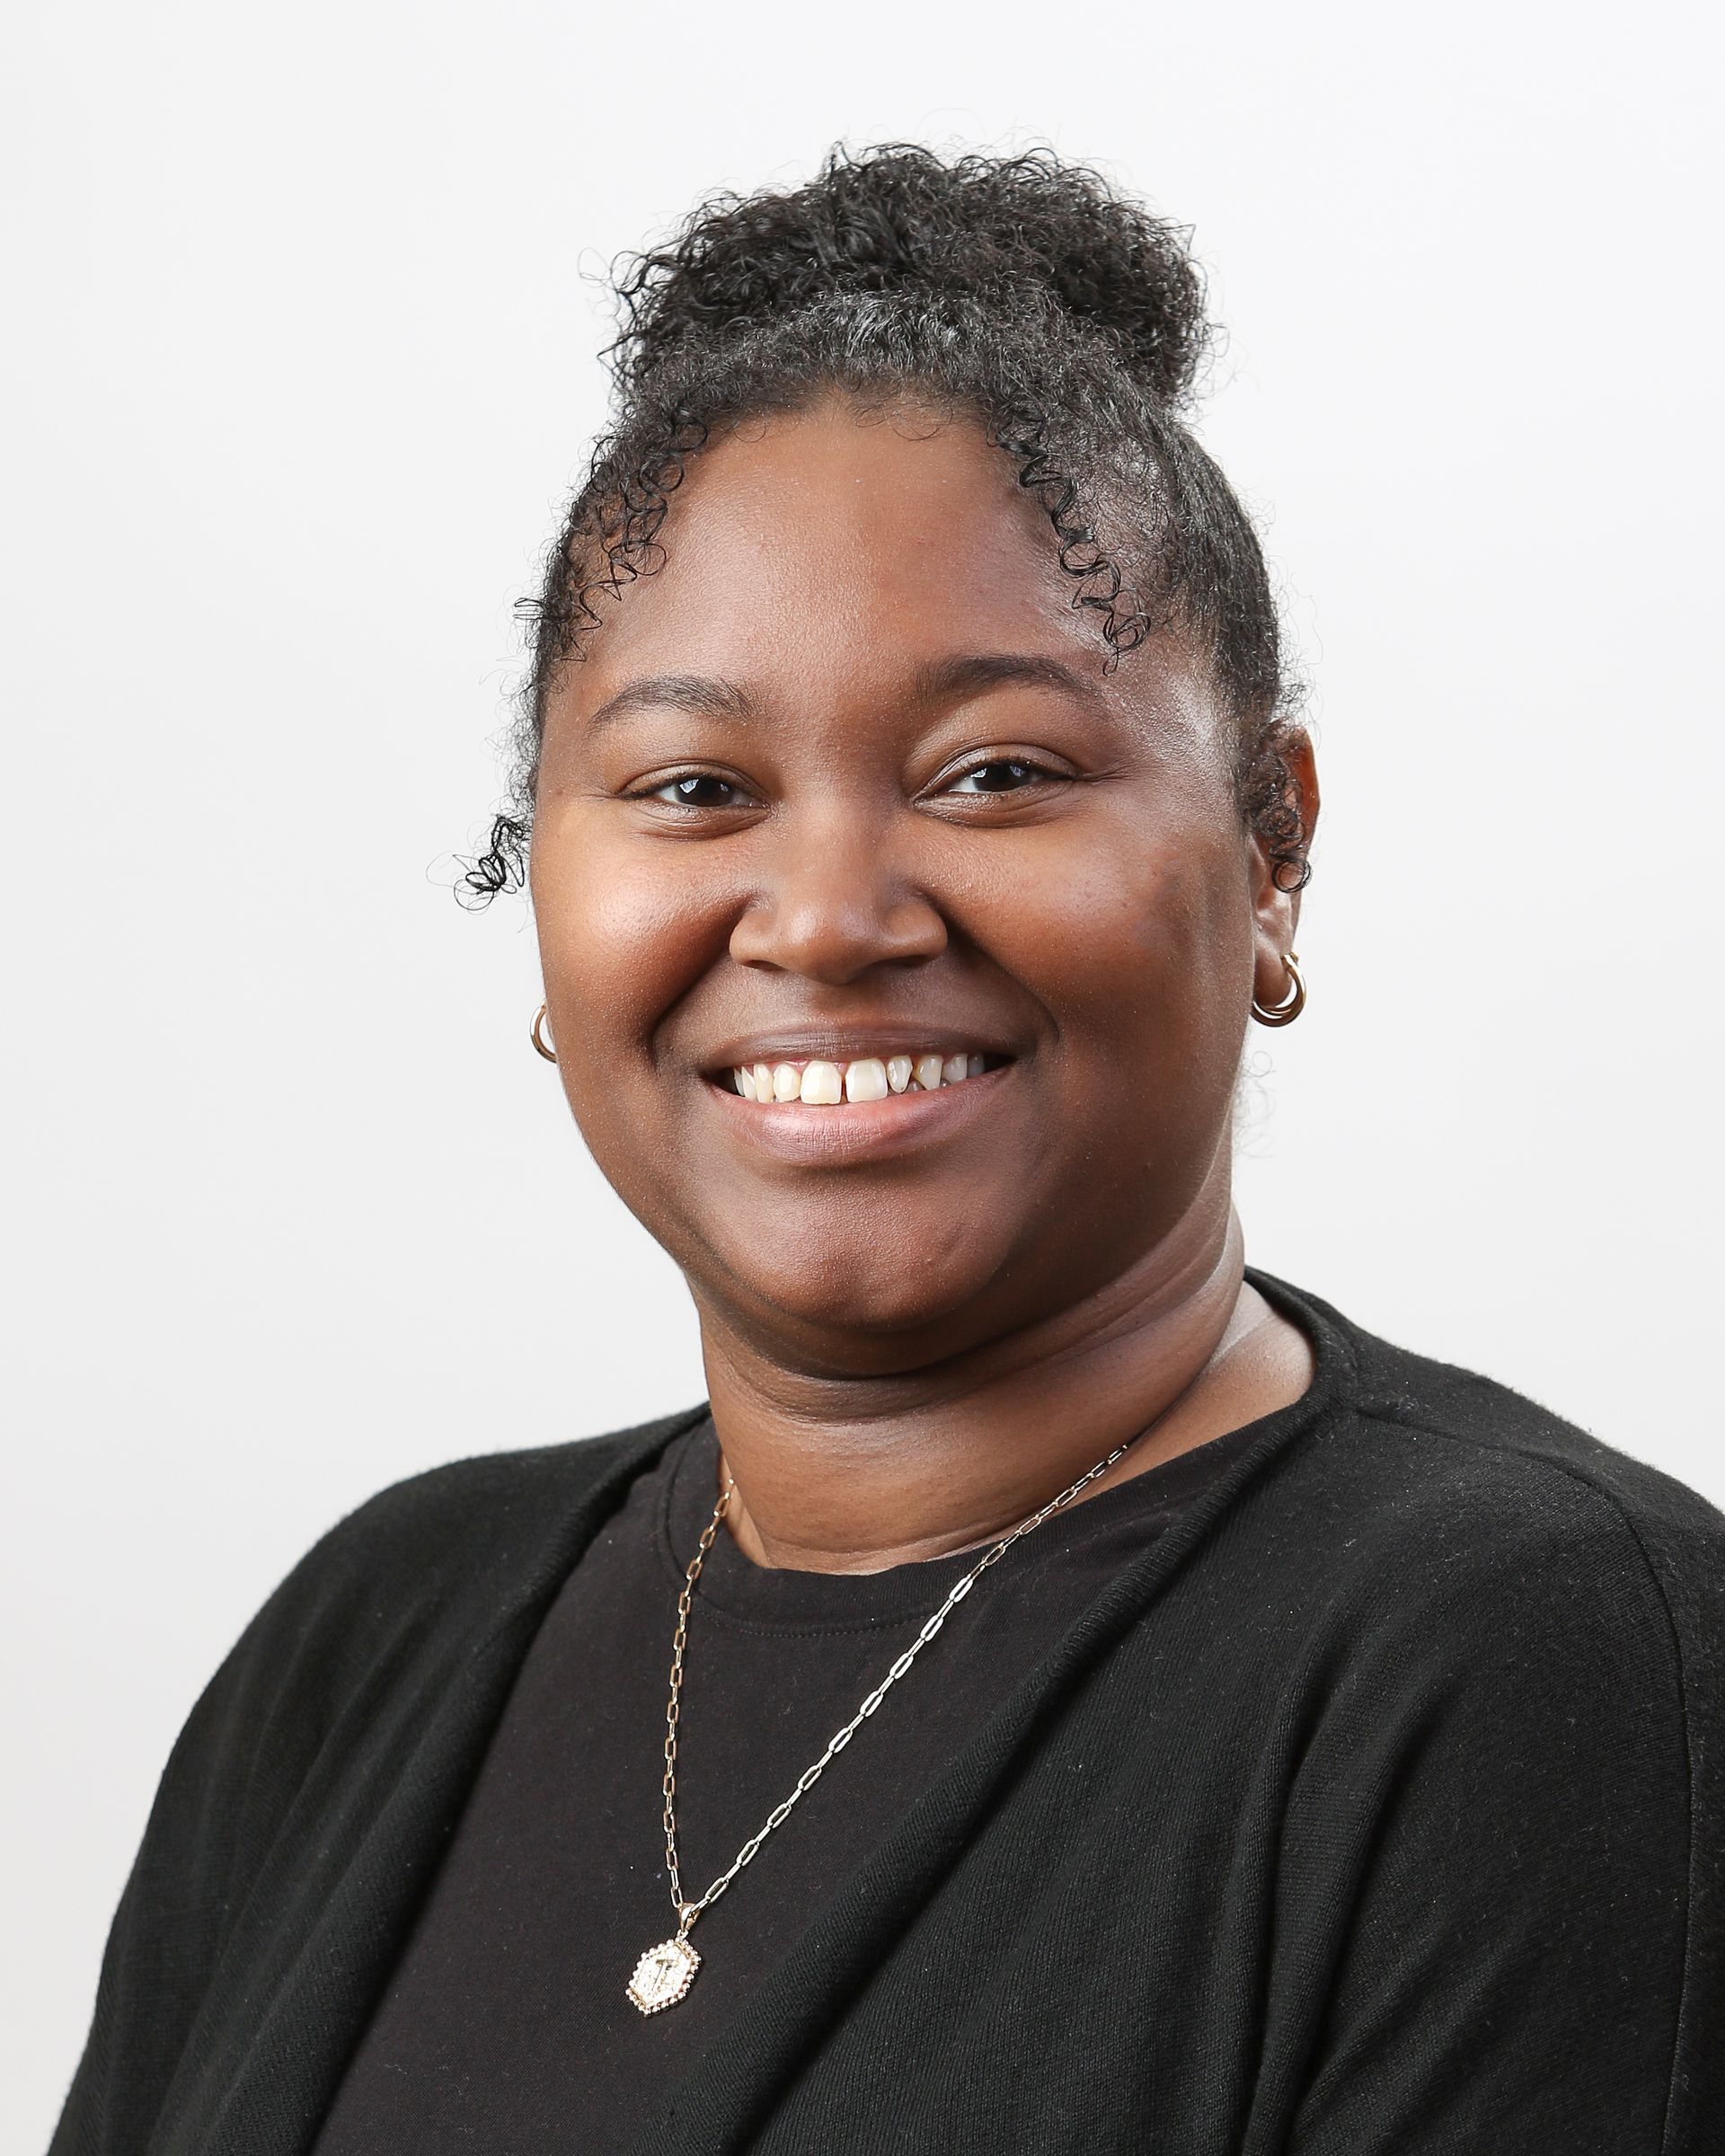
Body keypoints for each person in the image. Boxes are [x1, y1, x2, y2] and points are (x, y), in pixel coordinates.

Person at [51, 144, 1724, 2156]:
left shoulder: (1548, 1675)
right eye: (692, 785)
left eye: (995, 771)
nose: (829, 915)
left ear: (1271, 855)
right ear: (546, 899)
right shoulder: (374, 1637)